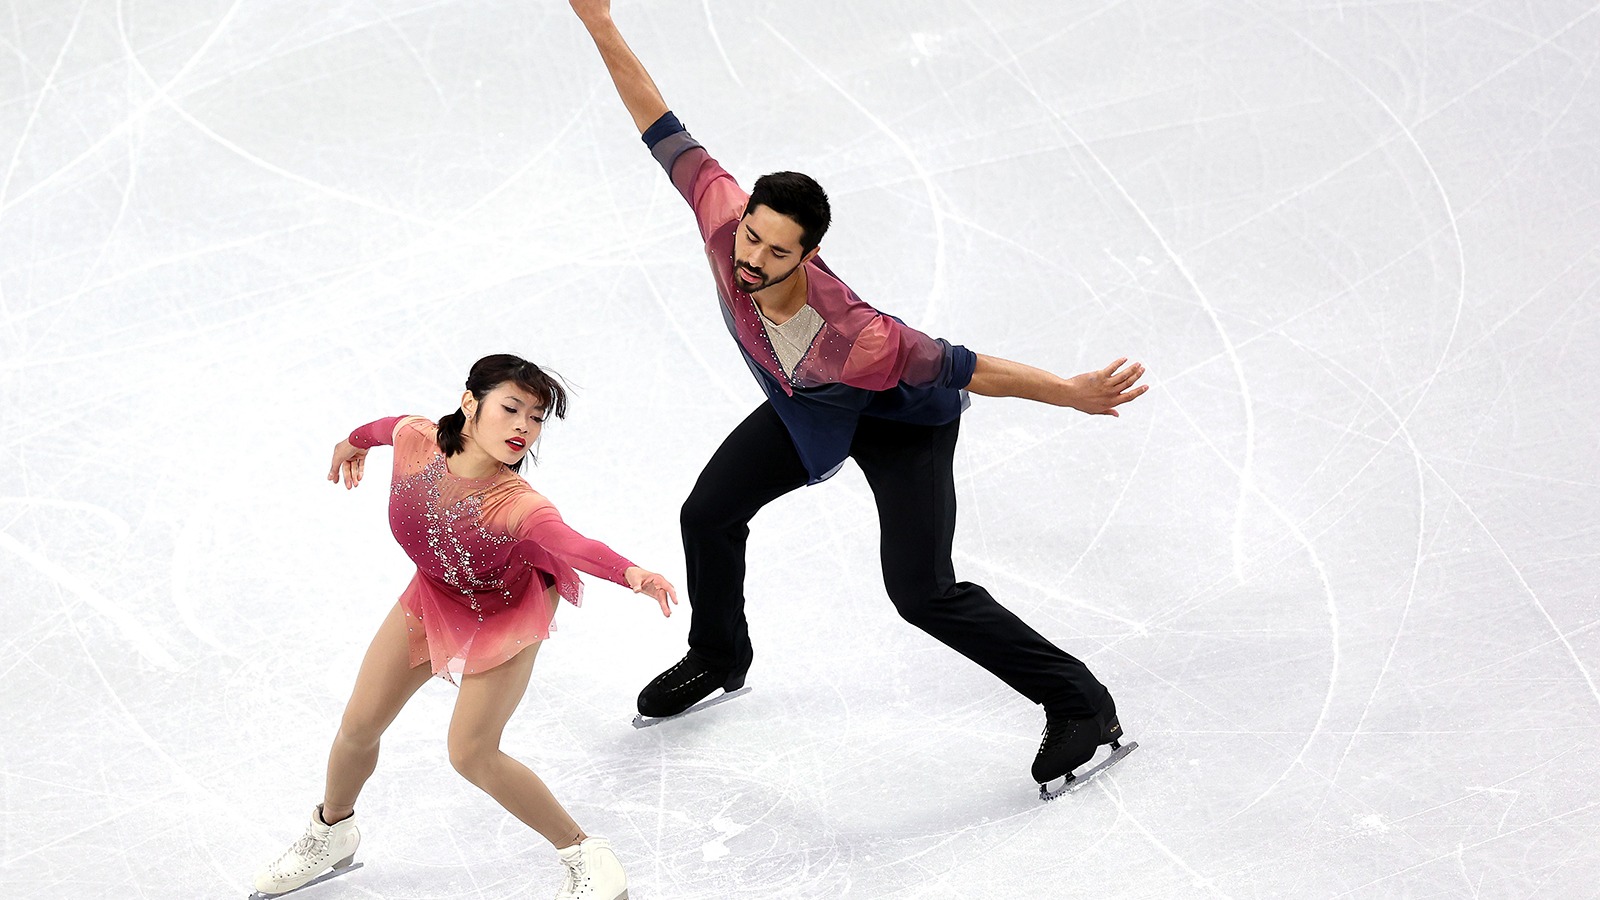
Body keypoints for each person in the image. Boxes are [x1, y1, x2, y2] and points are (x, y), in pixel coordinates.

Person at [567, 1, 1149, 795]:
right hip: (809, 413)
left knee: (921, 592)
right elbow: (656, 117)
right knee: (707, 513)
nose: (753, 258)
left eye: (777, 251)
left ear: (810, 254)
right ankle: (719, 652)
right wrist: (599, 21)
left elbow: (967, 367)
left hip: (902, 427)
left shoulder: (858, 335)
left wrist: (1071, 394)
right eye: (751, 239)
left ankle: (1082, 703)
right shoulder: (721, 215)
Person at [252, 354, 668, 900]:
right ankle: (331, 831)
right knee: (358, 725)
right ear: (470, 403)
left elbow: (572, 544)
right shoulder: (416, 441)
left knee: (471, 752)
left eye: (537, 417)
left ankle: (587, 854)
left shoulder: (518, 503)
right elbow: (381, 428)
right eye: (512, 408)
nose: (524, 426)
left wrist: (631, 572)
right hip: (435, 593)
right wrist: (351, 443)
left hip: (505, 609)